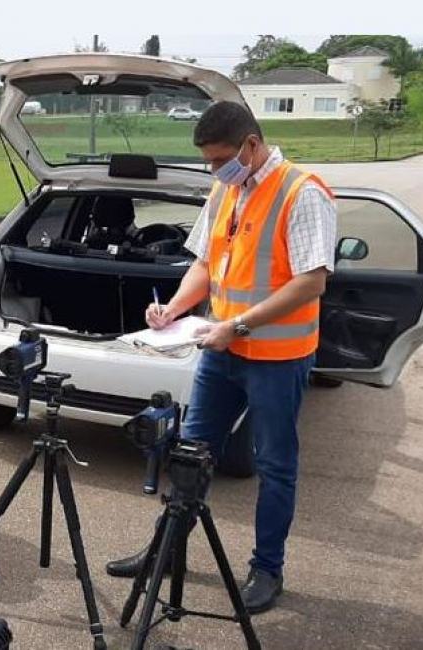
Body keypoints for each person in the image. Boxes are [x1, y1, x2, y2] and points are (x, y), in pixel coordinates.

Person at [105, 101, 338, 614]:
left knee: (276, 465)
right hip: (220, 350)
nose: (215, 170)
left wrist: (238, 326)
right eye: (210, 163)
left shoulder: (303, 193)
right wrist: (174, 308)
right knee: (191, 453)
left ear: (252, 146)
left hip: (276, 356)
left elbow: (311, 282)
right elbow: (207, 263)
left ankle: (266, 569)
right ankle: (166, 553)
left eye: (221, 160)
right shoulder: (226, 190)